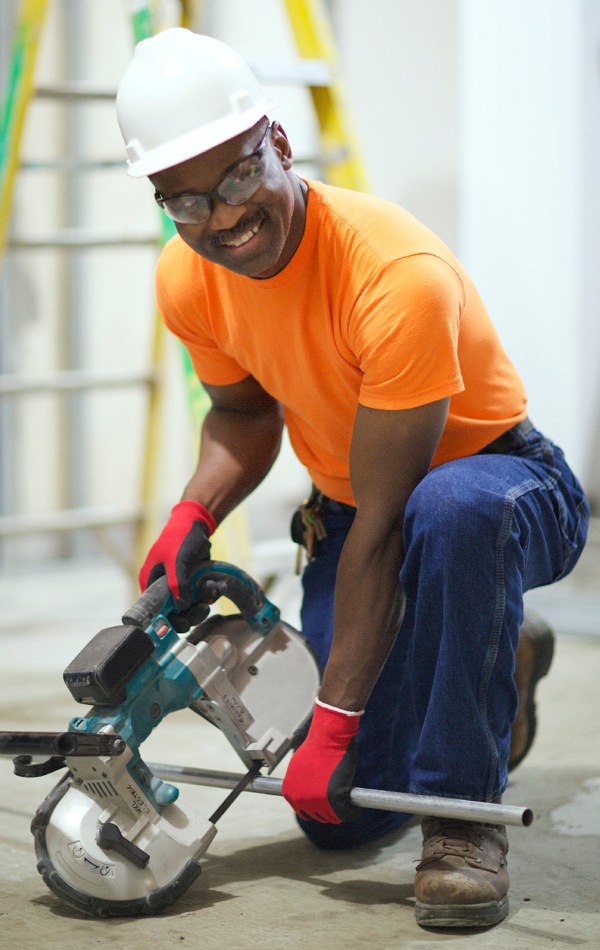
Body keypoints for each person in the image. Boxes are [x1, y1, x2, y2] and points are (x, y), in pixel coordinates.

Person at [116, 28, 590, 930]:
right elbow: (248, 416)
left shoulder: (392, 275)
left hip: (502, 487)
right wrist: (194, 512)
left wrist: (332, 718)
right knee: (338, 815)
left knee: (448, 518)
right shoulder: (189, 276)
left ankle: (459, 824)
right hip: (350, 509)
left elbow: (388, 526)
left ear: (280, 146)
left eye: (239, 179)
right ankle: (502, 650)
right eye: (185, 201)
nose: (221, 218)